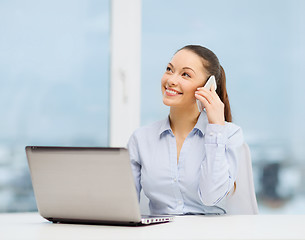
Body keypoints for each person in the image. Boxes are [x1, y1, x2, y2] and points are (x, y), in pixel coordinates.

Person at [127, 45, 244, 215]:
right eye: (169, 69)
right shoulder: (141, 139)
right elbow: (125, 207)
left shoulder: (229, 134)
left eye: (185, 74)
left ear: (208, 86)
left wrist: (216, 128)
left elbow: (211, 197)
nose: (171, 80)